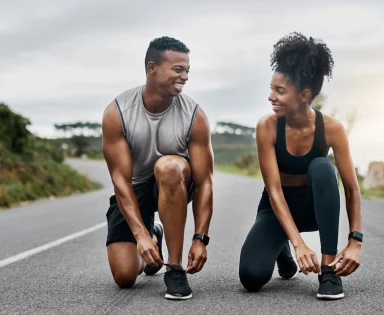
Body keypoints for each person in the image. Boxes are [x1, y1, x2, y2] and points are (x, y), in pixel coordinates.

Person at [238, 32, 363, 300]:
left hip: (314, 206)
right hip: (278, 207)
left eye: (280, 91)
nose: (271, 96)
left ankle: (328, 271)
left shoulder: (331, 129)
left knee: (322, 167)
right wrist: (298, 245)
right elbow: (273, 191)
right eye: (271, 88)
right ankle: (280, 246)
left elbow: (351, 189)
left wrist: (355, 241)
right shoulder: (267, 127)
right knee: (251, 277)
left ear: (304, 94)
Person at [101, 36, 214, 300]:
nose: (185, 76)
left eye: (187, 70)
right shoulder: (117, 112)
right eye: (178, 69)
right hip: (135, 188)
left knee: (169, 166)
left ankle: (174, 269)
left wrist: (201, 238)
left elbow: (205, 181)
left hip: (175, 183)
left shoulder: (194, 115)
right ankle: (154, 233)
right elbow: (120, 180)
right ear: (152, 68)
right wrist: (141, 235)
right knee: (125, 277)